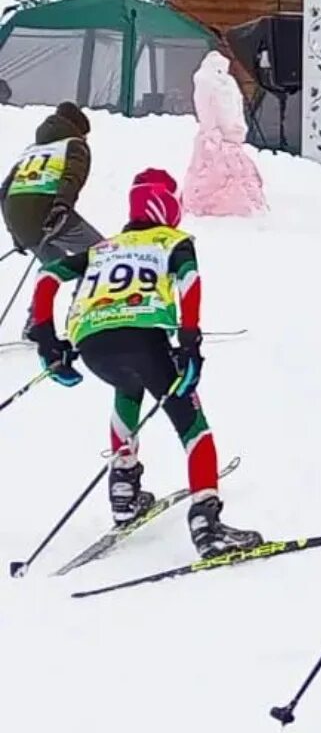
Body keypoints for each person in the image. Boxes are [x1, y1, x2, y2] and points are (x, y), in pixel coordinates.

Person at [26, 170, 261, 558]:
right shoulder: (173, 241)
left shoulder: (104, 248)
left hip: (92, 343)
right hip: (146, 339)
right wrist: (189, 341)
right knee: (193, 427)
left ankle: (123, 488)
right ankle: (207, 521)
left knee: (127, 387)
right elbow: (189, 282)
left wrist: (47, 338)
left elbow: (49, 275)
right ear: (166, 204)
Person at [2, 101, 104, 262]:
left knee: (56, 269)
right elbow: (72, 178)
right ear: (78, 130)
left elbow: (5, 190)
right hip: (49, 211)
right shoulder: (74, 145)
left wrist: (14, 230)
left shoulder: (32, 150)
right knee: (101, 256)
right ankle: (89, 286)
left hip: (18, 219)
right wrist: (61, 206)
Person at [184, 51, 267, 217]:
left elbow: (232, 106)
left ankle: (225, 204)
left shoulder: (224, 83)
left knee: (228, 172)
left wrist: (234, 129)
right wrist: (214, 132)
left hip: (226, 136)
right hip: (220, 136)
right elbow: (209, 108)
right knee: (216, 172)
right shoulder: (208, 81)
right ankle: (215, 204)